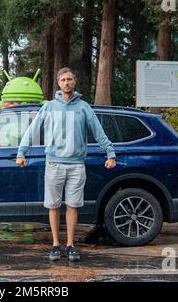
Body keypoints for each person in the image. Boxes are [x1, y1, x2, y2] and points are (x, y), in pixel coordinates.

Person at [16, 67, 116, 262]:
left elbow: (98, 131)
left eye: (70, 79)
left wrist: (110, 153)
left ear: (74, 81)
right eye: (63, 80)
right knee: (53, 206)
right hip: (53, 164)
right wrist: (22, 152)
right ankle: (55, 245)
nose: (67, 83)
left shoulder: (84, 107)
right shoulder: (49, 107)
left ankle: (70, 245)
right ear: (58, 83)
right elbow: (32, 130)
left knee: (72, 206)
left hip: (77, 165)